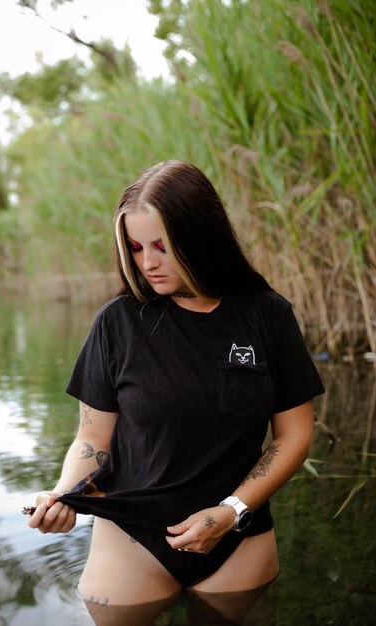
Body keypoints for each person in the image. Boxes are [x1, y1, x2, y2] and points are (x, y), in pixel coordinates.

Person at [28, 160, 325, 625]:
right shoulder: (117, 323)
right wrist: (65, 495)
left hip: (237, 538)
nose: (147, 263)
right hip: (132, 538)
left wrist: (231, 512)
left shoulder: (268, 316)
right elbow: (93, 439)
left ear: (201, 235)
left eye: (162, 247)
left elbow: (294, 436)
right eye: (136, 247)